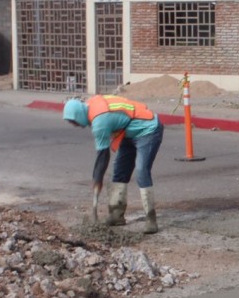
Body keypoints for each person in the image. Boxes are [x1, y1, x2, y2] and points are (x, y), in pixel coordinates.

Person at [63, 95, 164, 234]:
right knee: (119, 171)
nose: (75, 125)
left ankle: (151, 219)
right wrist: (97, 178)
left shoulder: (99, 121)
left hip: (148, 129)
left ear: (78, 115)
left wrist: (97, 180)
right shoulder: (90, 106)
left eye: (73, 122)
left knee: (141, 171)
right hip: (128, 133)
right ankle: (116, 216)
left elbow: (103, 156)